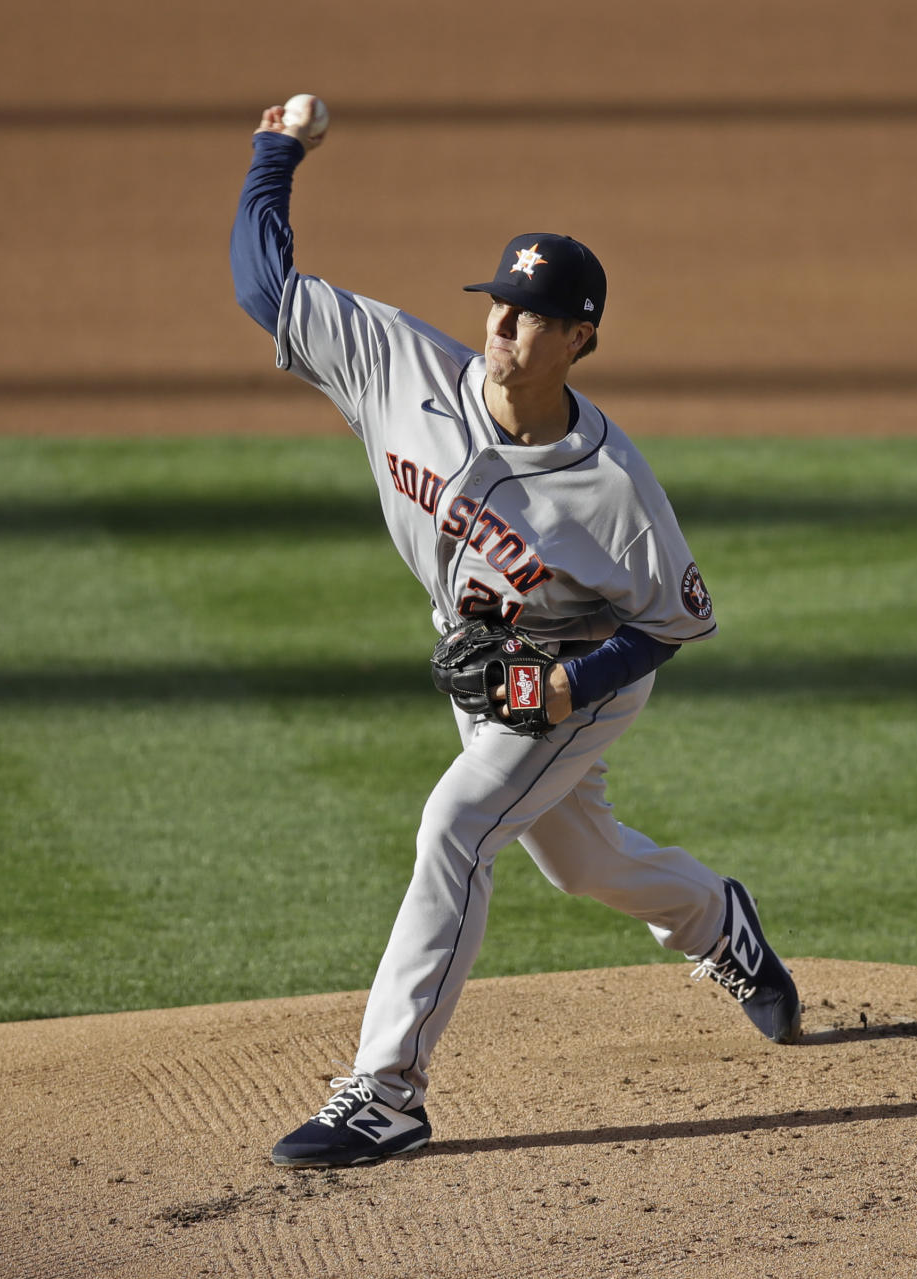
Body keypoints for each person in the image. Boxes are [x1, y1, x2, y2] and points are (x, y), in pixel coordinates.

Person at [231, 99, 801, 1169]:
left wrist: (568, 688)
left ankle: (387, 1094)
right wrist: (276, 152)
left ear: (580, 337)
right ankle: (720, 921)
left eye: (533, 313)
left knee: (456, 825)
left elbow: (671, 623)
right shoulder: (403, 370)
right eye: (499, 302)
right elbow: (264, 286)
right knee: (579, 861)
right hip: (482, 665)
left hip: (576, 676)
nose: (504, 324)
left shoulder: (616, 492)